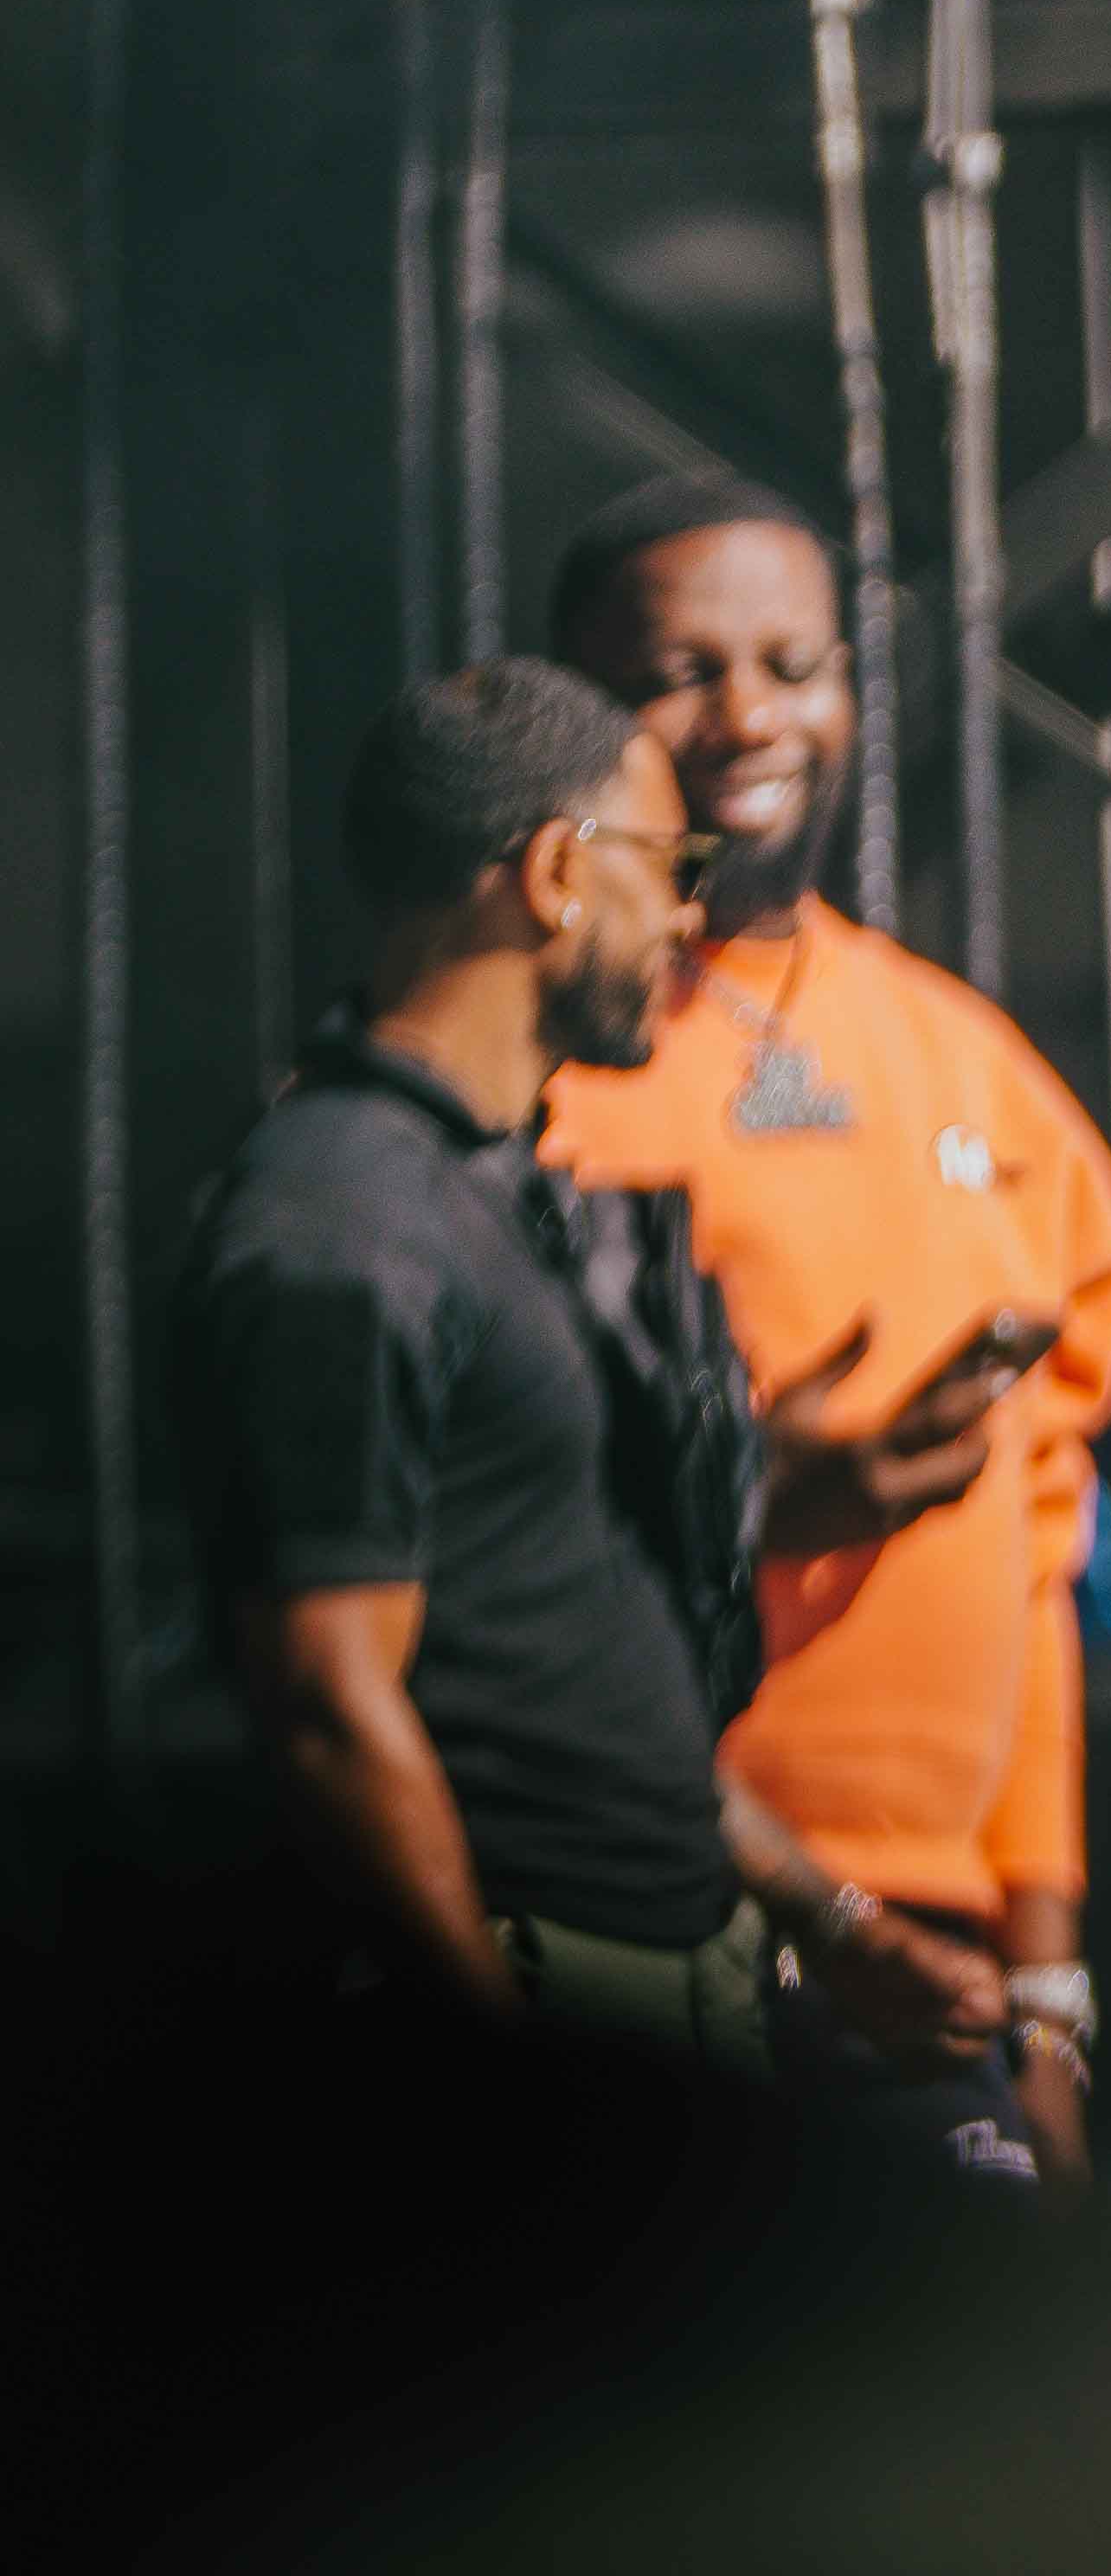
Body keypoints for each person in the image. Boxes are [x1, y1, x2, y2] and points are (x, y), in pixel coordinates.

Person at [543, 472, 1111, 2186]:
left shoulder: (976, 1070)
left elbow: (1038, 1553)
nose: (749, 714)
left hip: (932, 1971)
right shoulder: (529, 1077)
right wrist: (748, 1497)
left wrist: (1046, 1996)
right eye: (681, 671)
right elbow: (477, 1557)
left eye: (793, 663)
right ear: (579, 710)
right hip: (634, 1927)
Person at [171, 658, 769, 2072]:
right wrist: (504, 2069)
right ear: (559, 872)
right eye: (670, 863)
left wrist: (841, 1922)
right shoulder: (341, 1220)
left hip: (665, 1984)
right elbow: (328, 1708)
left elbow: (564, 1622)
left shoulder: (484, 1186)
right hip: (552, 2009)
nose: (689, 912)